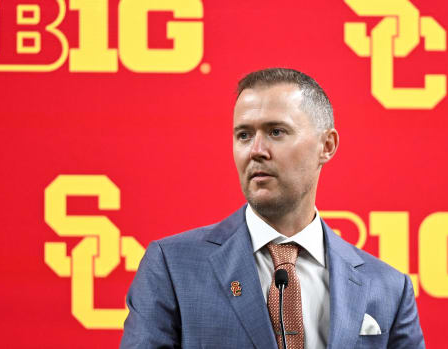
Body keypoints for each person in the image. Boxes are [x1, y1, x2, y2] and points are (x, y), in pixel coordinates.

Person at [120, 68, 425, 349]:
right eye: (244, 135)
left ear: (327, 146)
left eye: (276, 132)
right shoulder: (173, 267)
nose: (256, 151)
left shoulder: (389, 289)